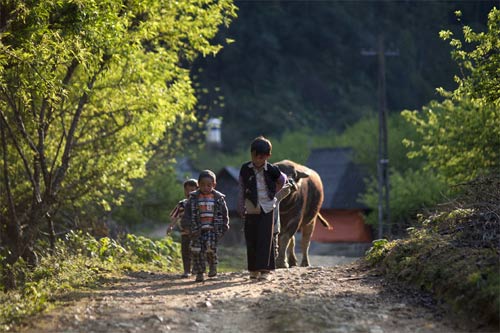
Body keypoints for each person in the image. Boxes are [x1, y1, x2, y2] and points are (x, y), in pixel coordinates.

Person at [238, 136, 286, 281]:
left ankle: (265, 270)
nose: (258, 161)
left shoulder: (272, 169)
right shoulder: (245, 169)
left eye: (261, 158)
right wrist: (240, 205)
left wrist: (273, 193)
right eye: (255, 157)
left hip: (267, 208)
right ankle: (253, 270)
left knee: (266, 239)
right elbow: (241, 187)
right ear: (251, 154)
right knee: (251, 238)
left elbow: (282, 181)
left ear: (268, 156)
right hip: (251, 207)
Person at [181, 170, 229, 282]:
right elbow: (187, 213)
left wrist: (224, 226)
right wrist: (186, 226)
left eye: (209, 185)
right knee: (197, 250)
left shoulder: (218, 198)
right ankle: (200, 272)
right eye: (202, 185)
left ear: (214, 185)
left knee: (210, 248)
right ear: (198, 184)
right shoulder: (193, 198)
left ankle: (212, 265)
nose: (205, 187)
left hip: (213, 229)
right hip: (196, 229)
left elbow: (224, 213)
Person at [167, 179, 199, 278]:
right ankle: (186, 270)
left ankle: (196, 268)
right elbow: (175, 216)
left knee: (197, 251)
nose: (189, 193)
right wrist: (171, 226)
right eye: (187, 190)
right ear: (184, 191)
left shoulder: (199, 203)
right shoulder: (182, 204)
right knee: (185, 251)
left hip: (197, 232)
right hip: (185, 232)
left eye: (192, 190)